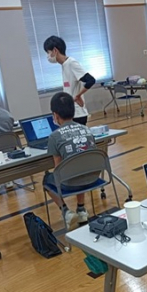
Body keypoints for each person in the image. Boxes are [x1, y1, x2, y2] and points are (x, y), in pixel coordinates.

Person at [45, 92, 97, 229]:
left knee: (47, 180)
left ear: (55, 115)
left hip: (70, 183)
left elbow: (58, 169)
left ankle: (66, 212)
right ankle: (81, 209)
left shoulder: (54, 136)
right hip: (93, 177)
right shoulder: (87, 129)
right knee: (80, 167)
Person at [43, 36, 96, 126]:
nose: (48, 56)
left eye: (48, 52)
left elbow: (90, 80)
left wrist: (78, 96)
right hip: (70, 113)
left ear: (55, 50)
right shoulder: (64, 65)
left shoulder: (71, 63)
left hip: (78, 114)